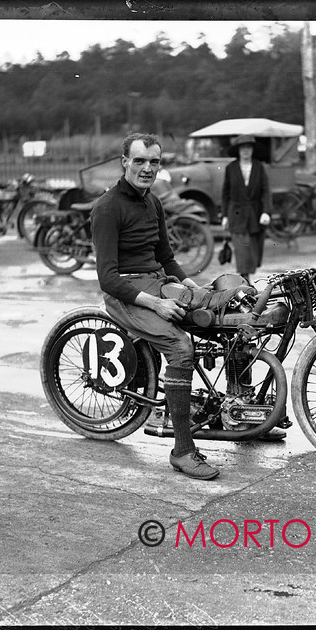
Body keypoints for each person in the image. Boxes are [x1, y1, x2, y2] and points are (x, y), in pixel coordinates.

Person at [91, 132, 238, 481]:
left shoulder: (153, 201)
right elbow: (108, 279)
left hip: (157, 282)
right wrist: (156, 303)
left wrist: (191, 287)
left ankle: (240, 414)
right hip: (126, 294)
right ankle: (183, 451)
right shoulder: (107, 207)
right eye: (139, 161)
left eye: (154, 162)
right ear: (124, 162)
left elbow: (165, 258)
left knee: (230, 313)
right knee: (180, 346)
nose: (147, 168)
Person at [220, 134, 272, 285]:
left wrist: (266, 211)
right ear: (238, 150)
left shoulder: (258, 167)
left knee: (254, 248)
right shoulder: (231, 168)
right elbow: (225, 193)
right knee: (242, 248)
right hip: (236, 213)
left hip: (255, 213)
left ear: (252, 150)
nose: (245, 151)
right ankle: (245, 279)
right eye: (242, 148)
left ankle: (246, 275)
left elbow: (266, 191)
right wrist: (224, 216)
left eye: (248, 148)